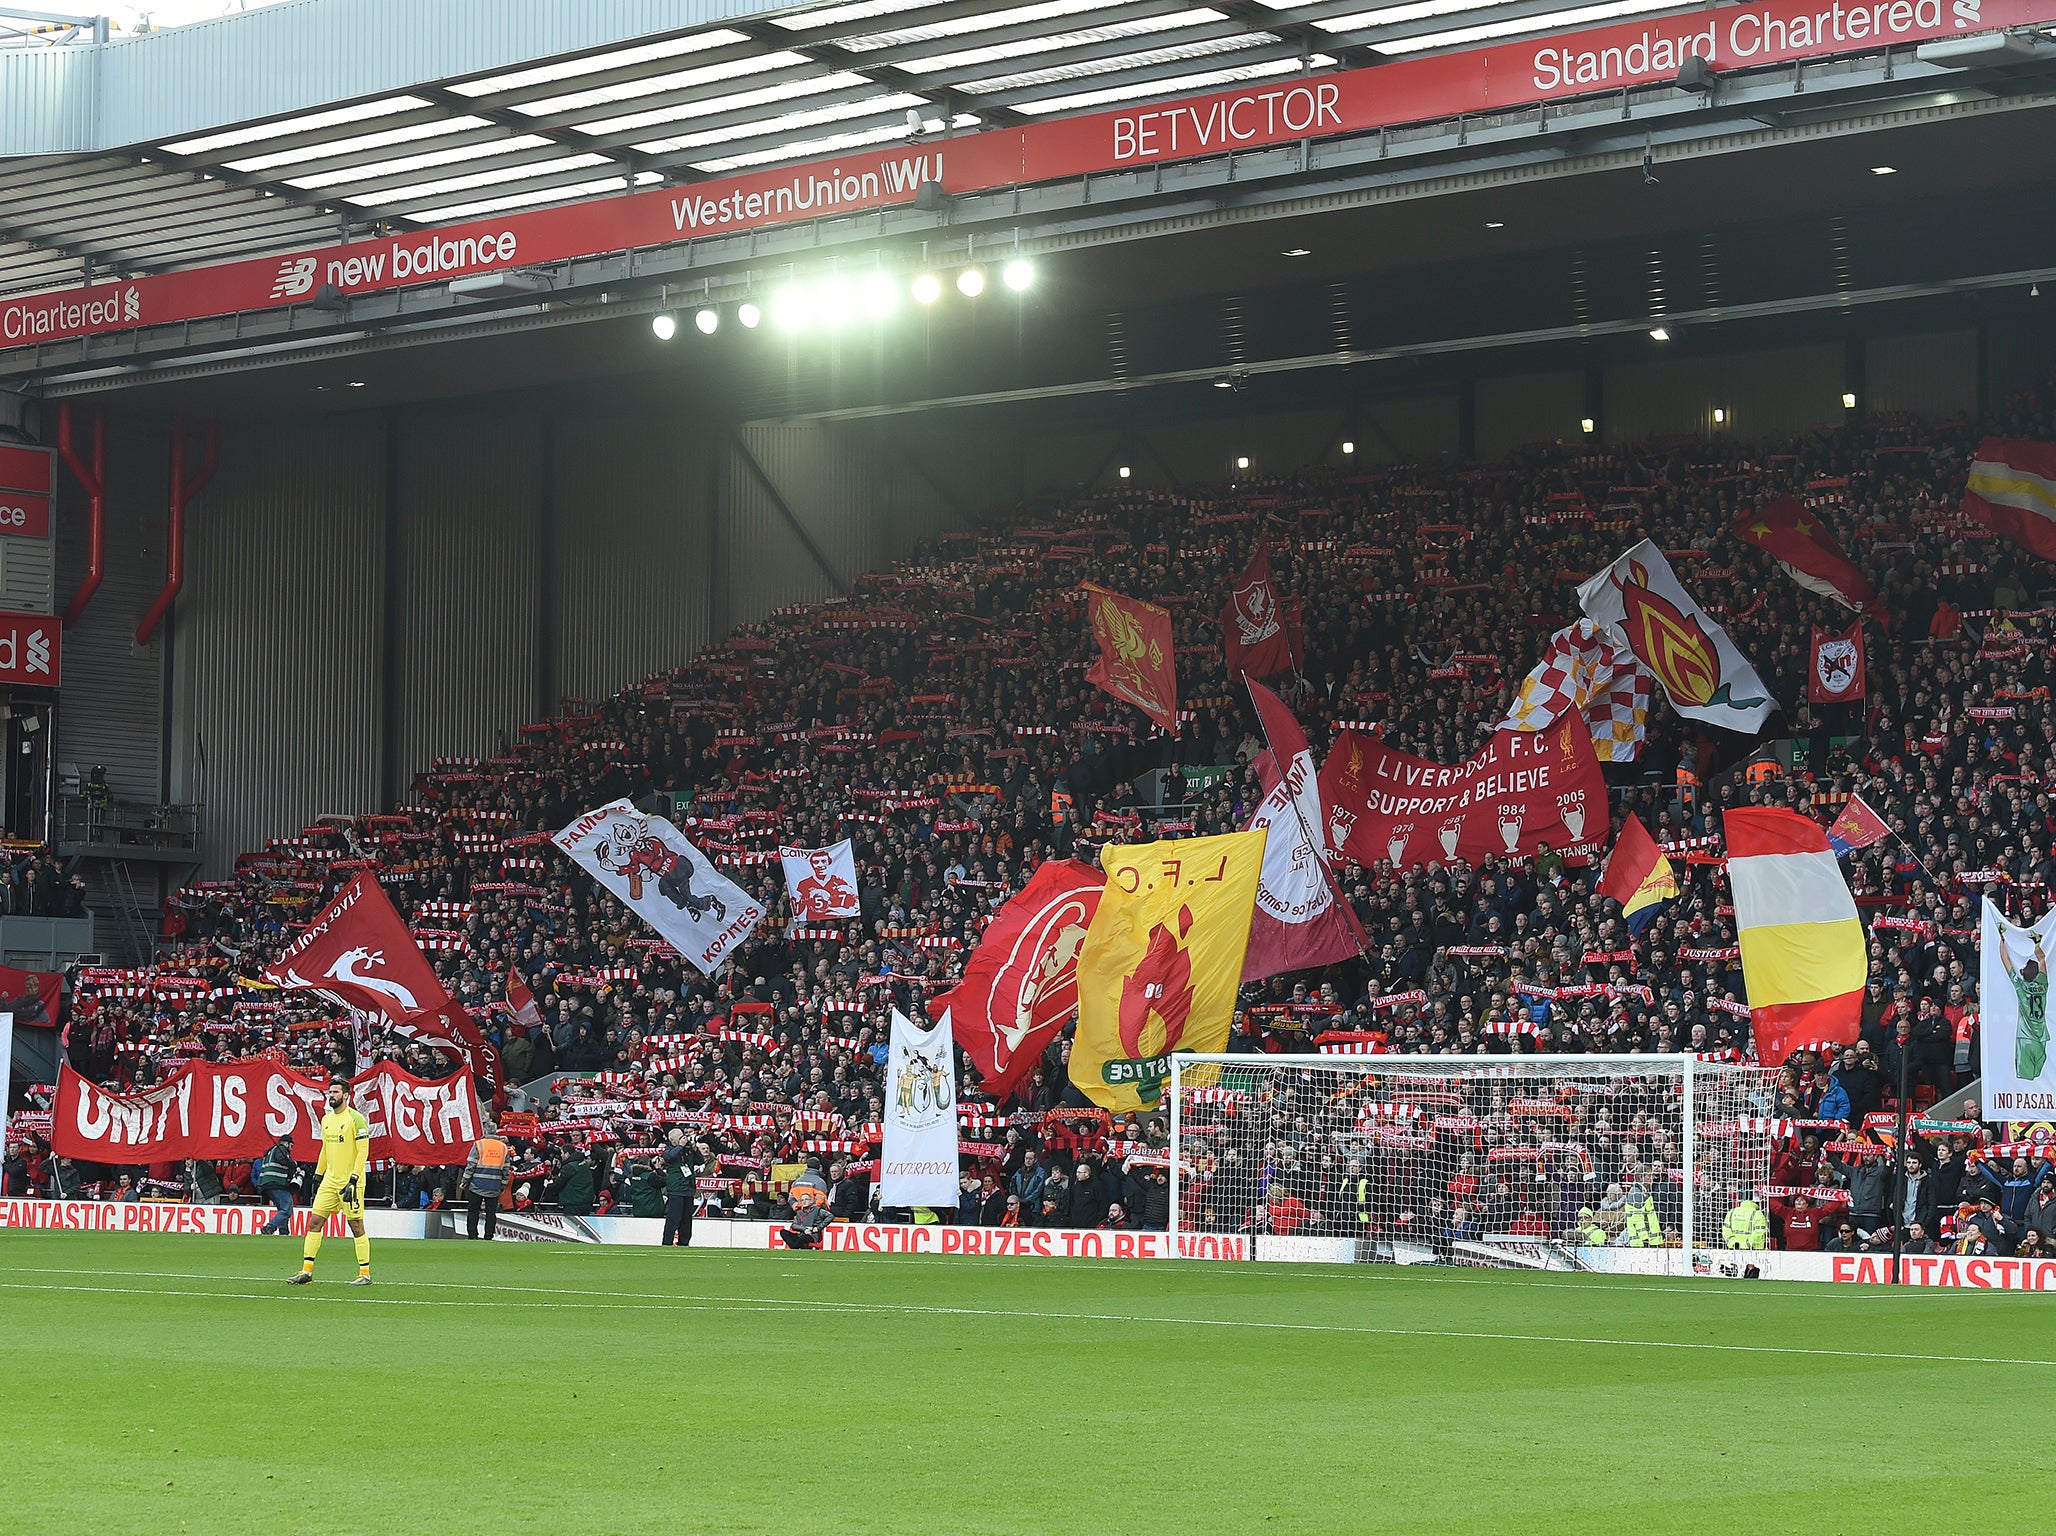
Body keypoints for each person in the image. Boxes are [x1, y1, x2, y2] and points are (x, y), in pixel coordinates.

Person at [288, 1080, 372, 1287]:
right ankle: (306, 1271)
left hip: (350, 1181)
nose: (331, 1095)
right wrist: (317, 1176)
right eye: (329, 1092)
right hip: (330, 1180)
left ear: (346, 1095)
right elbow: (325, 1149)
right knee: (314, 1222)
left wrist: (354, 1179)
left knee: (356, 1225)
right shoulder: (326, 1120)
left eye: (335, 1092)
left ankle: (365, 1273)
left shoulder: (356, 1119)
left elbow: (363, 1151)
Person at [459, 1117, 511, 1241]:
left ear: (485, 1132)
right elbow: (506, 1170)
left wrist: (464, 1181)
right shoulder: (503, 1147)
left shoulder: (478, 1144)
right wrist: (502, 1186)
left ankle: (473, 1236)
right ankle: (488, 1237)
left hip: (476, 1184)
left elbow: (471, 1165)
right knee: (491, 1213)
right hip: (494, 1186)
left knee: (473, 1211)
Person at [781, 1156, 834, 1249]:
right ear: (819, 1167)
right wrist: (812, 1210)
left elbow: (791, 1198)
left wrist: (798, 1207)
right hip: (813, 1215)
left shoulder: (797, 1181)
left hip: (801, 1212)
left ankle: (795, 1247)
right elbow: (820, 1200)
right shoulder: (820, 1182)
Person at [661, 1130, 701, 1248]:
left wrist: (694, 1149)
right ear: (673, 1140)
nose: (683, 1139)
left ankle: (684, 1243)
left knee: (686, 1221)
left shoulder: (687, 1151)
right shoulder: (668, 1150)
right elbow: (670, 1157)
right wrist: (680, 1146)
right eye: (680, 1137)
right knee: (673, 1219)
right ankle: (667, 1243)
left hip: (688, 1189)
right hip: (676, 1189)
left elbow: (700, 1161)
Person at [257, 1134, 298, 1235]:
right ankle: (270, 1227)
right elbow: (282, 1160)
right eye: (291, 1146)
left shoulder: (270, 1151)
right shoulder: (281, 1149)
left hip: (267, 1184)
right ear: (286, 1144)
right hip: (277, 1183)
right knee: (287, 1209)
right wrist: (293, 1164)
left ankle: (284, 1232)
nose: (291, 1149)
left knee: (282, 1209)